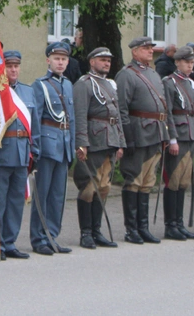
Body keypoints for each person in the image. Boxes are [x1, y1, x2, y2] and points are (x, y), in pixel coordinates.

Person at [0, 51, 39, 259]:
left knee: (16, 200)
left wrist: (36, 150)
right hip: (0, 151)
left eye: (16, 66)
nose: (13, 70)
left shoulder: (28, 91)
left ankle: (10, 242)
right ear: (2, 68)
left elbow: (35, 123)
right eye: (9, 66)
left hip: (22, 151)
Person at [116, 36, 169, 245]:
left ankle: (143, 226)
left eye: (150, 48)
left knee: (147, 181)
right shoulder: (127, 75)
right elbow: (122, 108)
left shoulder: (153, 74)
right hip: (138, 133)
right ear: (134, 51)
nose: (150, 51)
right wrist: (127, 138)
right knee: (134, 179)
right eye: (145, 48)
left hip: (155, 132)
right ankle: (132, 229)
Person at [73, 47, 124, 249]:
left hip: (110, 140)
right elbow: (80, 115)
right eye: (102, 60)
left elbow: (116, 115)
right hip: (94, 140)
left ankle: (97, 230)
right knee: (88, 187)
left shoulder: (110, 85)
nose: (106, 63)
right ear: (92, 62)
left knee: (103, 188)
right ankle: (85, 233)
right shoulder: (84, 84)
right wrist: (82, 143)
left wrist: (120, 142)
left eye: (108, 60)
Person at [29, 42, 75, 255]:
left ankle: (52, 236)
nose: (60, 62)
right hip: (47, 143)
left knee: (58, 195)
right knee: (43, 192)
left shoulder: (68, 84)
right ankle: (39, 238)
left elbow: (71, 119)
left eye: (64, 59)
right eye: (56, 58)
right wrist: (35, 146)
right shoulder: (40, 85)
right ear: (48, 60)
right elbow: (36, 118)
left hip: (64, 144)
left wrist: (72, 146)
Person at [161, 46, 194, 240]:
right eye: (186, 62)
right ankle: (170, 224)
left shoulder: (191, 83)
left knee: (184, 182)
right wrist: (172, 138)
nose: (190, 66)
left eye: (192, 62)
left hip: (190, 134)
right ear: (177, 63)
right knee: (173, 181)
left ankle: (179, 222)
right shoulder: (169, 82)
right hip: (179, 134)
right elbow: (168, 113)